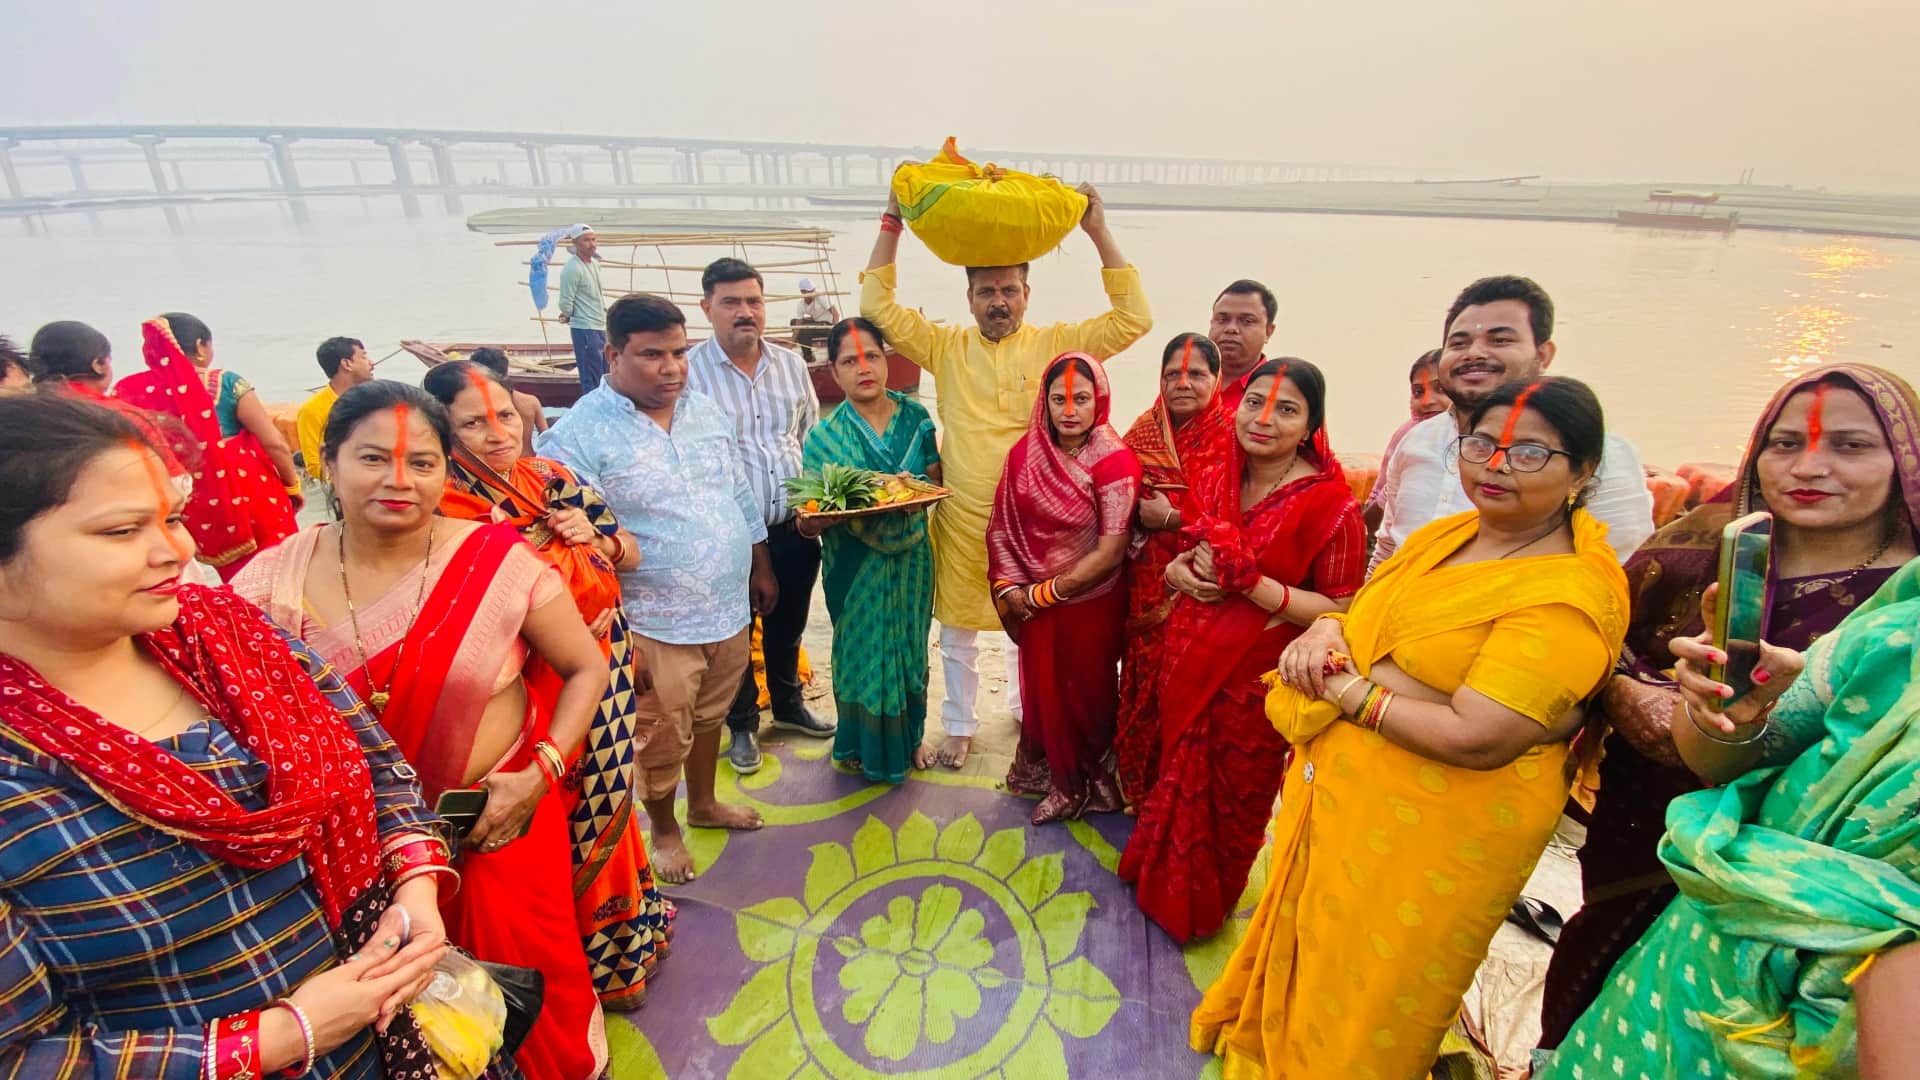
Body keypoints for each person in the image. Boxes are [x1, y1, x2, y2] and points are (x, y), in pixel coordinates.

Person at [0, 393, 484, 1079]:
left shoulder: (229, 633)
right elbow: (22, 1056)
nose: (178, 551)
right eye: (120, 532)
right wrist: (283, 1036)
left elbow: (379, 768)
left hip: (389, 1038)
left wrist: (415, 892)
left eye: (172, 518)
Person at [1191, 376, 1630, 1077]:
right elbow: (1368, 610)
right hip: (1345, 796)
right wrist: (1332, 625)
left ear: (1583, 471)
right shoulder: (1448, 535)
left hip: (1435, 831)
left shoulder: (1566, 594)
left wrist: (1348, 690)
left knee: (1376, 988)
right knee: (1316, 943)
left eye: (1528, 454)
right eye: (1483, 443)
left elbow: (1480, 735)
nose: (1494, 465)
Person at [232, 382, 610, 1080]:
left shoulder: (498, 562)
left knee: (531, 989)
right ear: (327, 462)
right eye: (374, 458)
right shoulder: (266, 585)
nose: (400, 480)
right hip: (351, 853)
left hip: (496, 827)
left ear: (447, 469)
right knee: (397, 1010)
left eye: (425, 463)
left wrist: (541, 773)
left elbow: (585, 667)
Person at [1538, 362, 1920, 1050]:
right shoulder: (1693, 548)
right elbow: (1601, 641)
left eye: (1851, 445)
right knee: (1590, 991)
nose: (1811, 466)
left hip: (1807, 883)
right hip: (1640, 831)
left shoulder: (1899, 610)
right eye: (1784, 443)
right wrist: (1660, 702)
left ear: (1906, 458)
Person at [1538, 557, 1920, 1078]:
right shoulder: (1896, 630)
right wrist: (1727, 714)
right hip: (1711, 961)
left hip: (1859, 1025)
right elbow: (1723, 756)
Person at [861, 181, 1152, 768]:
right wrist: (892, 220)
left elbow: (1134, 319)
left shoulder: (1057, 343)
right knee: (960, 630)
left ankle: (1030, 715)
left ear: (1027, 293)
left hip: (1042, 521)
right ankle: (961, 726)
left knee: (1035, 626)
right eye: (988, 291)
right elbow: (876, 310)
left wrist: (1097, 231)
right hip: (964, 514)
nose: (1000, 301)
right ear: (968, 297)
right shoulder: (945, 346)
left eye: (1010, 290)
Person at [425, 360, 674, 1012]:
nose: (497, 432)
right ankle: (567, 964)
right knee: (546, 818)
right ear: (443, 432)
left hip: (605, 668)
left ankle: (621, 950)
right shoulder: (446, 511)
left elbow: (631, 553)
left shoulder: (556, 479)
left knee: (608, 804)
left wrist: (596, 540)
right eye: (473, 422)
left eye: (505, 415)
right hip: (526, 690)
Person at [1118, 358, 1366, 943]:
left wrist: (1252, 586)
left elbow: (1344, 609)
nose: (1264, 419)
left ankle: (1197, 909)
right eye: (1255, 402)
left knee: (1231, 796)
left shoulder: (1333, 506)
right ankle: (1155, 876)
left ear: (1310, 425)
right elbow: (1188, 551)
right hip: (1190, 653)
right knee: (1174, 773)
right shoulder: (1217, 477)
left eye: (1286, 409)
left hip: (1255, 678)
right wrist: (1181, 572)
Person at [537, 293, 773, 885]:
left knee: (711, 714)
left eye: (677, 353)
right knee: (660, 732)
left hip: (725, 606)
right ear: (612, 354)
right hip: (651, 621)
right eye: (651, 356)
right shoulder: (579, 437)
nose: (670, 368)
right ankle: (665, 829)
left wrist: (759, 562)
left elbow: (738, 491)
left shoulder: (703, 410)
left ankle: (705, 804)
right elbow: (566, 541)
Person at [1370, 276, 1654, 575]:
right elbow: (1389, 549)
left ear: (1543, 355)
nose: (1474, 353)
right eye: (1459, 343)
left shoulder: (1591, 451)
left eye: (1500, 340)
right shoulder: (1418, 440)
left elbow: (1618, 573)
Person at [687, 256, 832, 776]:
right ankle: (743, 724)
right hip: (725, 534)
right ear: (707, 308)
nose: (744, 312)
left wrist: (814, 504)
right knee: (733, 631)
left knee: (788, 623)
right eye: (731, 302)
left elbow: (809, 437)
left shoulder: (791, 364)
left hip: (792, 525)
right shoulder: (689, 373)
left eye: (753, 301)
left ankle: (789, 707)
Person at [987, 353, 1142, 823]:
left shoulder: (1115, 462)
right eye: (1059, 399)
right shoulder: (1025, 453)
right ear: (1045, 402)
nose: (1069, 409)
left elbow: (1110, 552)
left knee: (1086, 691)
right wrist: (1009, 586)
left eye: (1081, 398)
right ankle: (1051, 774)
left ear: (1100, 401)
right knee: (1043, 688)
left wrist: (1041, 594)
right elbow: (1001, 528)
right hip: (1033, 600)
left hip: (1088, 603)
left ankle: (1082, 785)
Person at [796, 319, 942, 782]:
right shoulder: (824, 438)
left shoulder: (917, 418)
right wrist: (860, 500)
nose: (864, 368)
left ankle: (912, 737)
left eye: (872, 356)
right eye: (849, 361)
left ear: (886, 359)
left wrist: (908, 490)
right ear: (833, 373)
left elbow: (935, 483)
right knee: (859, 654)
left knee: (910, 650)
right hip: (854, 567)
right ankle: (860, 743)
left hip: (913, 557)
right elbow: (809, 518)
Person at [1113, 332, 1235, 802]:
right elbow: (1113, 492)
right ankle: (1139, 783)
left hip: (1206, 588)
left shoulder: (1234, 440)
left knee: (1190, 690)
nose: (1183, 382)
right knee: (1144, 680)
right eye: (1172, 374)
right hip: (1146, 585)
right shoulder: (1144, 431)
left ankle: (1180, 789)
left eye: (1196, 373)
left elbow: (1242, 521)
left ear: (1217, 378)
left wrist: (1173, 518)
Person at [114, 315, 299, 579]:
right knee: (286, 567)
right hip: (251, 492)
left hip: (196, 503)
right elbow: (275, 443)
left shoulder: (132, 390)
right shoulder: (226, 382)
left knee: (237, 578)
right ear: (201, 346)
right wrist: (293, 485)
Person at [1363, 349, 1452, 537]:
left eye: (1441, 389)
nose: (1427, 402)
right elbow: (1381, 494)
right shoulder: (1408, 435)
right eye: (1418, 392)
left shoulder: (1478, 441)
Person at [299, 335, 374, 481]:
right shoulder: (313, 410)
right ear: (347, 364)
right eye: (364, 357)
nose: (371, 363)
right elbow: (314, 465)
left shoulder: (375, 399)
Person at [1208, 279, 1278, 409]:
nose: (1231, 329)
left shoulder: (1285, 392)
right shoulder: (1185, 384)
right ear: (1211, 323)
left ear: (1268, 331)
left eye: (1247, 321)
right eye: (1222, 319)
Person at [555, 225, 607, 393]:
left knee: (605, 373)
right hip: (584, 327)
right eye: (586, 240)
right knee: (590, 375)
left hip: (600, 324)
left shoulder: (595, 265)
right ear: (575, 243)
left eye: (593, 239)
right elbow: (565, 303)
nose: (592, 244)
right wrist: (568, 315)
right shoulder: (572, 268)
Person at [470, 346, 550, 453]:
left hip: (497, 465)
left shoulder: (476, 406)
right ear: (506, 371)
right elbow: (547, 437)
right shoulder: (531, 401)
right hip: (529, 462)